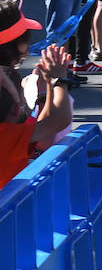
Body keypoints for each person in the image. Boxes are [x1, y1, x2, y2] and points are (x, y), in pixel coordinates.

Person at [0, 41, 75, 188]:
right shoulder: (11, 135)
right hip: (12, 208)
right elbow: (58, 120)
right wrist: (59, 80)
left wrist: (46, 90)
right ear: (17, 109)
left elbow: (46, 121)